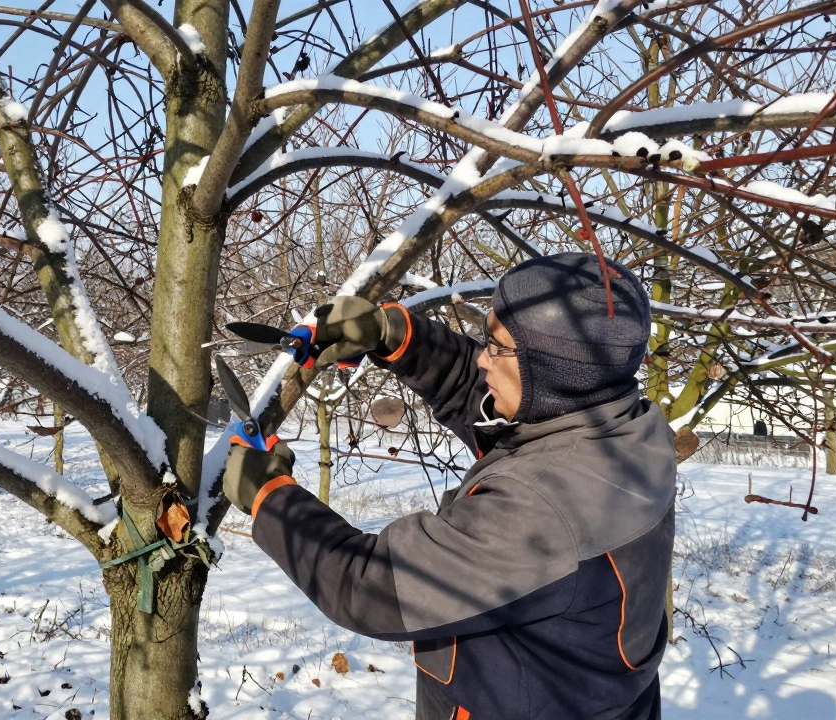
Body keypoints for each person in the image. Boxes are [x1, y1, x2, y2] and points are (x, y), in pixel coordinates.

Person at [223, 252, 675, 720]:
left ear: (554, 370)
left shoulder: (545, 505)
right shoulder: (622, 429)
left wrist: (270, 498)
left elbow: (371, 585)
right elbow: (486, 402)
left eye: (498, 347)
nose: (482, 358)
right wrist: (394, 335)